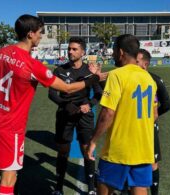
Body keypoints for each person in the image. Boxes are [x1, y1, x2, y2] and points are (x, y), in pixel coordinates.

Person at [0, 14, 102, 195]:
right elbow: (67, 89)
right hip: (11, 127)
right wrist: (93, 78)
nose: (41, 36)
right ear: (30, 34)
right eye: (40, 33)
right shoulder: (32, 65)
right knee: (9, 176)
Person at [86, 34, 157, 195]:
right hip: (144, 148)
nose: (112, 55)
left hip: (119, 148)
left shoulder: (117, 75)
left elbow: (107, 113)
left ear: (121, 52)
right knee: (139, 188)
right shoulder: (149, 78)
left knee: (103, 186)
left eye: (113, 51)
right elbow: (154, 114)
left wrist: (94, 140)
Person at [48, 37, 102, 195]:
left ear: (83, 52)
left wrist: (89, 105)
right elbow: (52, 94)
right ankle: (58, 188)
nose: (70, 51)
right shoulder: (60, 70)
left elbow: (99, 94)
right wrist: (65, 104)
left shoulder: (89, 71)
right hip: (65, 114)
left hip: (84, 116)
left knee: (87, 150)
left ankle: (91, 189)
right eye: (69, 49)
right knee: (63, 150)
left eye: (74, 49)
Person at [137, 49, 170, 195]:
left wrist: (152, 118)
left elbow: (166, 104)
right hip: (131, 127)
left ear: (145, 64)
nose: (133, 64)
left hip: (149, 127)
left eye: (136, 61)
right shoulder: (128, 78)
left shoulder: (155, 79)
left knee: (152, 163)